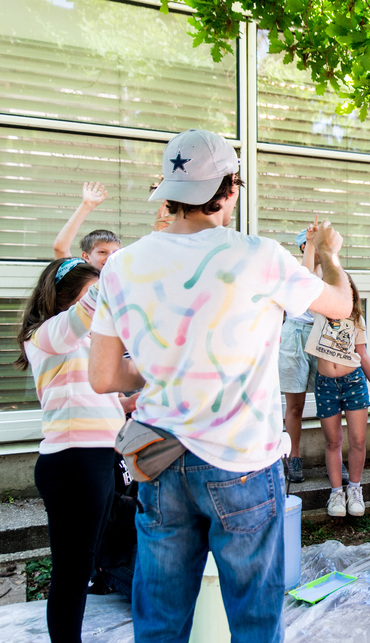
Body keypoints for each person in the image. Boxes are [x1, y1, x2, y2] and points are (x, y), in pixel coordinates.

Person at [88, 128, 353, 642]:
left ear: (168, 192)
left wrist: (163, 364)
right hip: (243, 465)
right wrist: (329, 253)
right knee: (255, 624)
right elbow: (342, 306)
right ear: (230, 188)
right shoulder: (260, 256)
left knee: (160, 626)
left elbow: (104, 376)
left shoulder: (120, 266)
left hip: (158, 458)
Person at [15, 258, 129, 642]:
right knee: (73, 570)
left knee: (88, 562)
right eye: (88, 296)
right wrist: (118, 268)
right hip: (72, 462)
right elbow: (89, 308)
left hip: (99, 457)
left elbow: (103, 398)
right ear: (64, 299)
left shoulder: (85, 341)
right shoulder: (46, 335)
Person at [307, 268, 370, 517]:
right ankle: (336, 493)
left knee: (359, 440)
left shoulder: (356, 319)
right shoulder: (320, 311)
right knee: (333, 441)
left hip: (353, 382)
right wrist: (316, 247)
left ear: (351, 293)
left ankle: (354, 489)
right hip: (325, 384)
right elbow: (309, 277)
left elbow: (362, 354)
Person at [280, 228, 317, 484]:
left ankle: (333, 457)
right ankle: (294, 455)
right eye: (310, 243)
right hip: (294, 334)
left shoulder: (332, 271)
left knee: (329, 403)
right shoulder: (292, 271)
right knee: (295, 404)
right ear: (303, 247)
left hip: (322, 335)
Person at [52, 181, 122, 270]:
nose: (110, 257)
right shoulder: (79, 277)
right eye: (102, 252)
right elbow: (60, 248)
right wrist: (87, 206)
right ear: (86, 257)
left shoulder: (124, 276)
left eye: (116, 253)